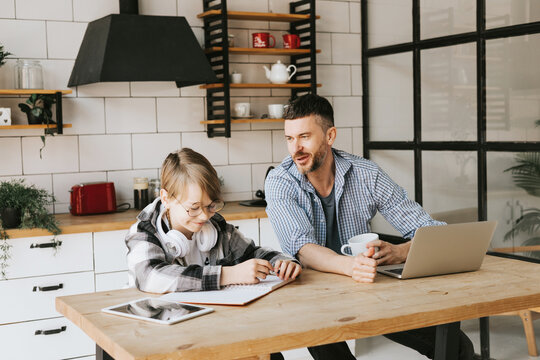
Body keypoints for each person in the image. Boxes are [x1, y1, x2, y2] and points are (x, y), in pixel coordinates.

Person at [265, 94, 474, 360]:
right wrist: (352, 267)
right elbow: (303, 249)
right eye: (289, 139)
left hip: (367, 288)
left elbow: (432, 230)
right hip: (313, 296)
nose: (296, 148)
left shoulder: (365, 173)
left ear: (330, 136)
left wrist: (400, 252)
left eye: (304, 136)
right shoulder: (280, 181)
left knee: (458, 347)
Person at [126, 147, 302, 295]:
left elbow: (252, 254)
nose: (204, 216)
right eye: (194, 208)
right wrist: (228, 275)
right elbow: (149, 275)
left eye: (210, 206)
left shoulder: (216, 228)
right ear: (165, 198)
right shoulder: (145, 231)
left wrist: (283, 262)